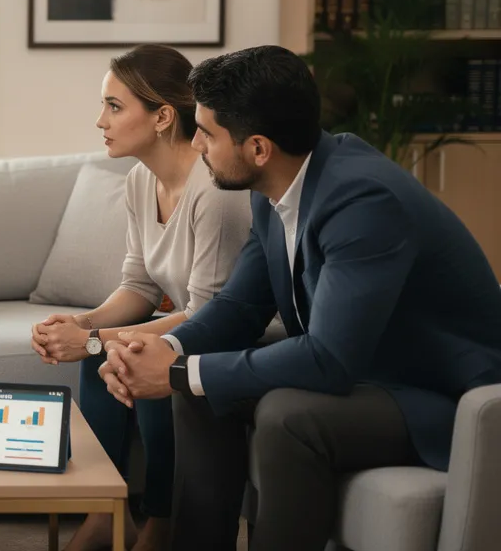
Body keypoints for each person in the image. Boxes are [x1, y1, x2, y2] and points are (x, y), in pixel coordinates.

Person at [96, 45, 501, 551]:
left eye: (208, 132)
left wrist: (178, 372)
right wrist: (166, 353)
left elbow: (329, 358)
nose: (195, 143)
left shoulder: (362, 201)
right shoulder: (278, 185)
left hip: (440, 395)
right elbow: (239, 308)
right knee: (198, 395)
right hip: (366, 370)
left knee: (289, 416)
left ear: (258, 147)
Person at [30, 45, 253, 551]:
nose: (99, 121)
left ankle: (160, 520)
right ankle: (104, 516)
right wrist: (79, 324)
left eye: (113, 106)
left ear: (162, 117)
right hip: (187, 325)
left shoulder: (213, 190)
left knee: (131, 352)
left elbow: (207, 315)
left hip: (230, 335)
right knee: (102, 352)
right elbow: (139, 286)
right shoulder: (138, 180)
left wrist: (95, 337)